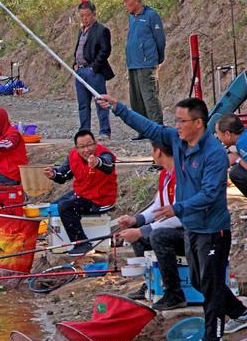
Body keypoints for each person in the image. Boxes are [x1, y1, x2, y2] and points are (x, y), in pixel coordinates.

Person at [97, 95, 247, 339]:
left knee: (209, 287)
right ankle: (240, 311)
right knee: (200, 283)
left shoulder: (214, 154)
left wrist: (177, 208)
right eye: (175, 121)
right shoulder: (177, 142)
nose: (176, 126)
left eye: (181, 121)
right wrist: (118, 108)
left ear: (198, 123)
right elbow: (149, 127)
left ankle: (213, 335)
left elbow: (210, 194)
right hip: (192, 228)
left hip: (213, 230)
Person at [117, 141, 186, 310]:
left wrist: (142, 231)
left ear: (158, 151)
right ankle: (149, 283)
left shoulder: (183, 176)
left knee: (157, 236)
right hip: (173, 229)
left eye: (151, 150)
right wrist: (135, 221)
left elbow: (180, 217)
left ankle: (174, 293)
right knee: (139, 237)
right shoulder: (166, 175)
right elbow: (157, 207)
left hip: (189, 233)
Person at [44, 130, 117, 256]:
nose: (87, 150)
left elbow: (108, 164)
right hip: (83, 194)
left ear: (95, 144)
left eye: (90, 145)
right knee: (55, 206)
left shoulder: (104, 153)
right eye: (82, 147)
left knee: (65, 207)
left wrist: (97, 162)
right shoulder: (73, 155)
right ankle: (57, 238)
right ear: (76, 148)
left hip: (100, 200)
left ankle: (82, 244)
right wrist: (53, 174)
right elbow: (63, 175)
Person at [123, 0, 166, 140]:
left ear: (136, 1)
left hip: (147, 63)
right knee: (136, 99)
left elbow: (160, 39)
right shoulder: (131, 17)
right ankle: (142, 129)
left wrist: (158, 59)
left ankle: (157, 128)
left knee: (150, 97)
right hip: (133, 63)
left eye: (126, 0)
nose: (124, 4)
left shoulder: (151, 15)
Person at [73, 0, 114, 141]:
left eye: (87, 15)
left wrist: (94, 67)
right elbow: (79, 49)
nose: (85, 18)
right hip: (80, 71)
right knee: (83, 104)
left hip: (94, 72)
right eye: (82, 16)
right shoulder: (81, 30)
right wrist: (75, 64)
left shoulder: (101, 30)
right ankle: (84, 131)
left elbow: (105, 50)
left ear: (94, 14)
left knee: (100, 102)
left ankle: (104, 131)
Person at [215, 114, 247, 198]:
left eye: (218, 133)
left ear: (227, 134)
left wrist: (237, 159)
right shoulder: (244, 136)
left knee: (235, 173)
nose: (218, 137)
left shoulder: (242, 143)